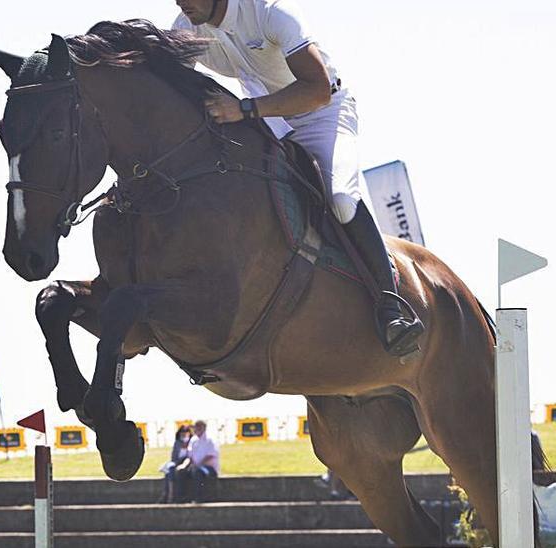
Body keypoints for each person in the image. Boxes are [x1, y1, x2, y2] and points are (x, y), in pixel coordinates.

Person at [172, 0, 424, 356]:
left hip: (322, 112)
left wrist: (244, 109)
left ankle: (391, 308)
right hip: (269, 119)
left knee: (339, 198)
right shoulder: (186, 25)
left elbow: (317, 89)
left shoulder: (272, 12)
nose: (180, 1)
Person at [175, 420, 220, 503]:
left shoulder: (210, 440)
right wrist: (183, 466)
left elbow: (210, 456)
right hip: (196, 467)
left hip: (209, 468)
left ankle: (198, 499)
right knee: (181, 472)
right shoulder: (193, 440)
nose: (197, 429)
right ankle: (182, 499)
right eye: (196, 427)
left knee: (198, 472)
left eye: (199, 426)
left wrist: (199, 465)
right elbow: (189, 457)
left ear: (204, 428)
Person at [159, 425, 194, 503]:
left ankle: (169, 496)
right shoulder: (177, 443)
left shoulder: (192, 442)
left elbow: (191, 457)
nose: (184, 434)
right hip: (177, 463)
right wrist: (177, 463)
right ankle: (170, 494)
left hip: (188, 464)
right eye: (182, 433)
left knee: (176, 473)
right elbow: (174, 457)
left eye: (186, 432)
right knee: (169, 472)